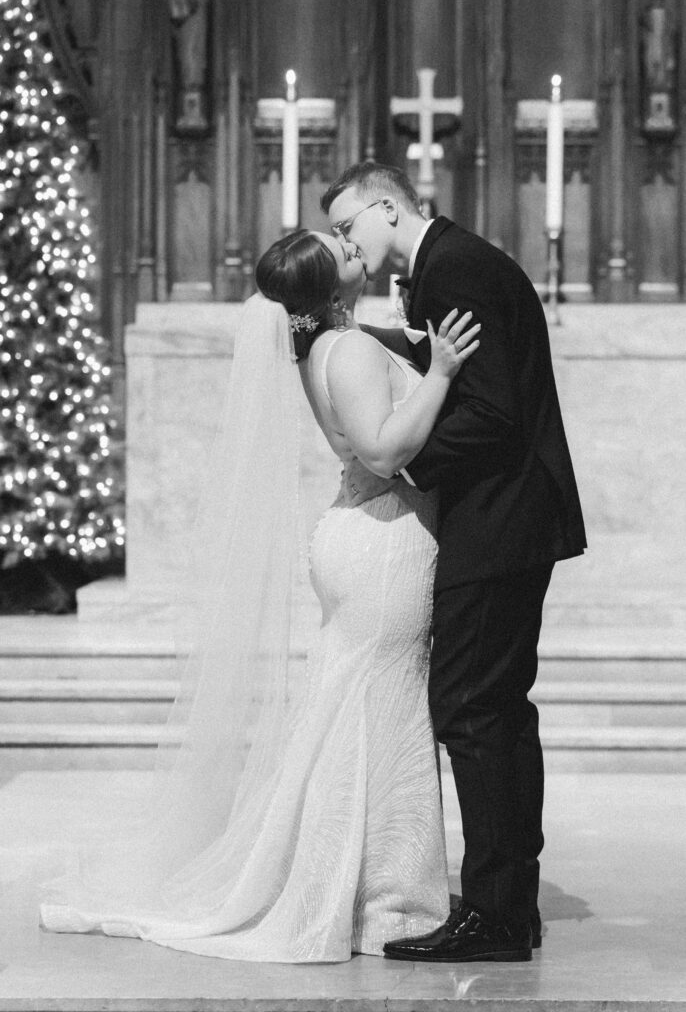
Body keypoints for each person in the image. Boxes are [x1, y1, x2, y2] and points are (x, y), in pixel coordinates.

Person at [38, 229, 479, 962]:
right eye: (340, 243)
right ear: (331, 286)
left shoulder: (320, 350)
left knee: (350, 715)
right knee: (380, 714)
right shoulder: (354, 351)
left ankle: (361, 883)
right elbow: (381, 449)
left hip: (354, 538)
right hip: (382, 543)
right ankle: (378, 899)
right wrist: (439, 374)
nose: (351, 241)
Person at [322, 162, 586, 962]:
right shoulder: (449, 264)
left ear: (383, 207)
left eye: (346, 226)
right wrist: (351, 333)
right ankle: (510, 904)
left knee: (474, 707)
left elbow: (494, 413)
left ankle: (498, 914)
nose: (346, 242)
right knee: (493, 706)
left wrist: (398, 462)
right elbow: (451, 360)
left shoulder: (458, 266)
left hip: (500, 520)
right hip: (503, 518)